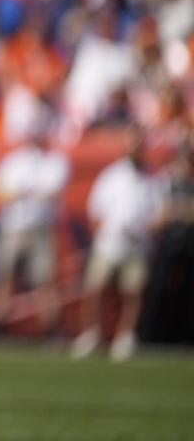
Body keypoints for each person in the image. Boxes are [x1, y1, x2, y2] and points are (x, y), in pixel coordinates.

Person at [70, 129, 168, 361]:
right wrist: (106, 232)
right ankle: (92, 333)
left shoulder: (154, 178)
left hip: (138, 244)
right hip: (109, 243)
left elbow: (161, 212)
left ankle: (125, 337)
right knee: (96, 289)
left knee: (133, 292)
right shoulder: (112, 175)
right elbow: (96, 210)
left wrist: (146, 229)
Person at [0, 114, 70, 333]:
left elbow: (51, 193)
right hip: (13, 228)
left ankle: (51, 330)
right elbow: (1, 195)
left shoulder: (55, 161)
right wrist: (27, 193)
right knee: (2, 280)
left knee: (45, 283)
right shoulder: (12, 161)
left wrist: (22, 193)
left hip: (40, 229)